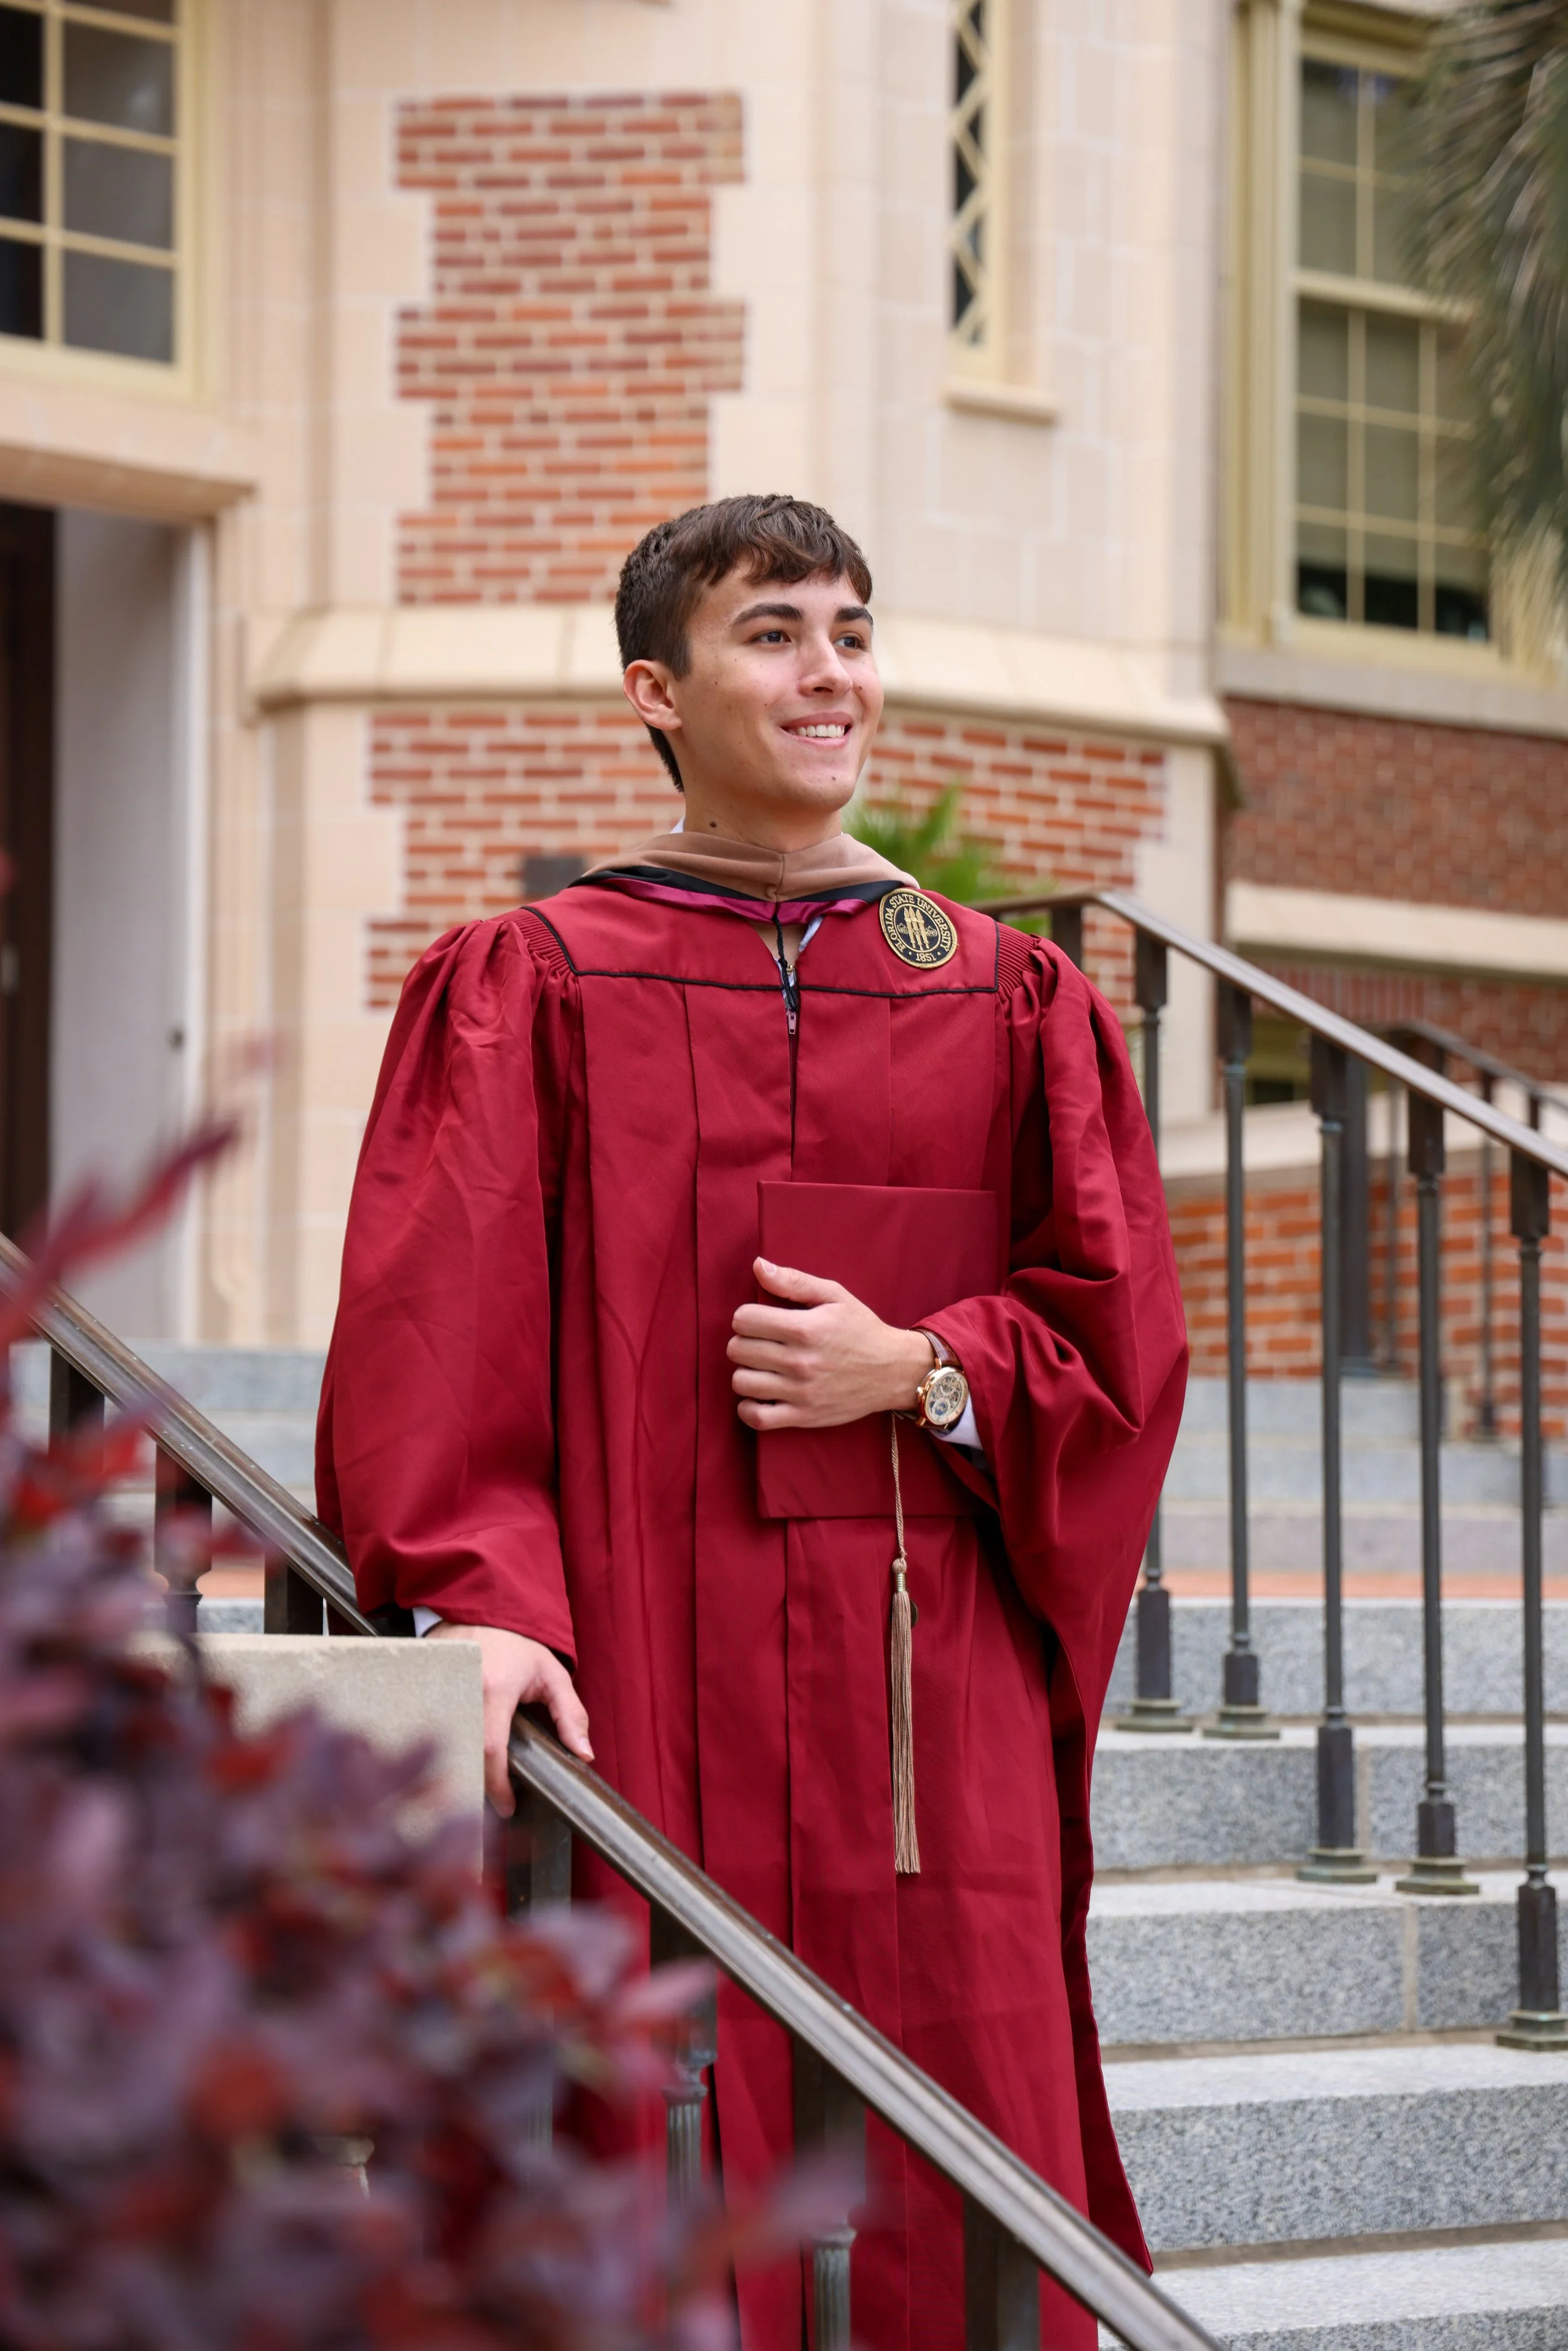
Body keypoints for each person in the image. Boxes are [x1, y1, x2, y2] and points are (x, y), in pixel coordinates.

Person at [317, 493, 1187, 2350]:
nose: (828, 673)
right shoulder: (533, 980)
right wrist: (479, 1594)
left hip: (916, 1701)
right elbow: (433, 1325)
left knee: (945, 2098)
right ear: (658, 688)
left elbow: (1116, 1339)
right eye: (773, 633)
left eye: (851, 632)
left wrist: (923, 1364)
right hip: (642, 1663)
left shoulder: (1006, 998)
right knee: (637, 2097)